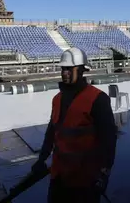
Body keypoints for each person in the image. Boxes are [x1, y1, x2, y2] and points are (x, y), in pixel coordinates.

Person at [32, 47, 117, 203]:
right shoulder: (57, 99)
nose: (65, 73)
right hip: (59, 176)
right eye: (63, 69)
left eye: (70, 69)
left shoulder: (98, 99)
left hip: (85, 178)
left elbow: (109, 138)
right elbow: (52, 131)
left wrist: (104, 173)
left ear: (82, 70)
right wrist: (41, 158)